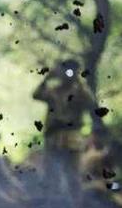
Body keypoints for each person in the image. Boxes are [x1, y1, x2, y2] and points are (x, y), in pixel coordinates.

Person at [33, 59, 97, 197]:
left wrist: (79, 82)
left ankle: (76, 207)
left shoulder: (80, 92)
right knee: (51, 172)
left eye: (72, 71)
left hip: (72, 136)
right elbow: (36, 95)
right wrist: (48, 78)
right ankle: (51, 203)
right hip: (54, 135)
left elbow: (91, 103)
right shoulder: (54, 91)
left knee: (73, 173)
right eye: (66, 70)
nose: (68, 74)